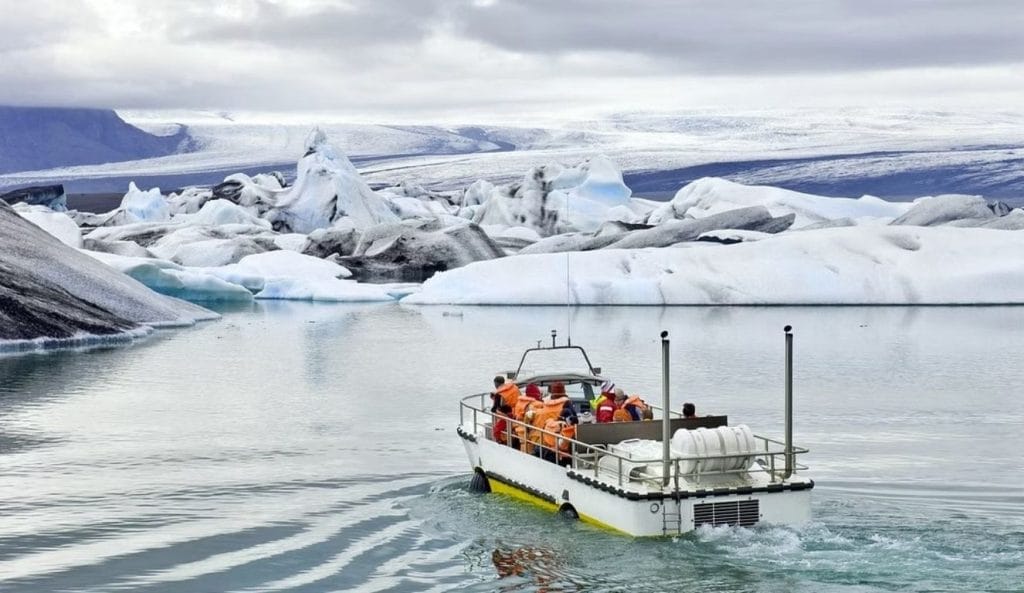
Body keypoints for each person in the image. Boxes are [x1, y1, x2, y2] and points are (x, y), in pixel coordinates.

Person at [514, 383, 542, 452]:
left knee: (523, 446)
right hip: (528, 431)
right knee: (528, 450)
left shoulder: (520, 402)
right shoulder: (534, 404)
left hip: (519, 429)